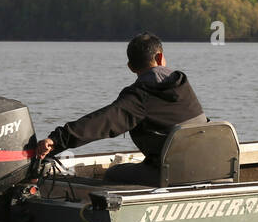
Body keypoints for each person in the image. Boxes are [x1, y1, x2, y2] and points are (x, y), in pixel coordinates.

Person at [34, 32, 207, 185]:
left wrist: (56, 140)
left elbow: (102, 122)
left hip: (173, 174)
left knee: (113, 174)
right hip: (211, 165)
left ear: (131, 67)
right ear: (161, 58)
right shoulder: (182, 84)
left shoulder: (140, 97)